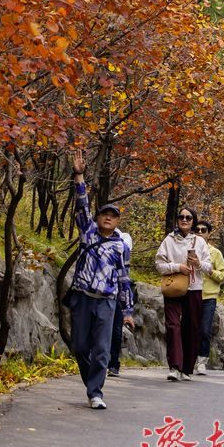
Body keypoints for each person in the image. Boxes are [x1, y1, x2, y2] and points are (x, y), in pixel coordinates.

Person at [68, 150, 134, 410]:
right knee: (81, 346)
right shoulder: (88, 234)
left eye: (113, 215)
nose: (108, 217)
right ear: (97, 218)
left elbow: (124, 278)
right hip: (83, 298)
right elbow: (81, 204)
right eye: (104, 213)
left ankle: (96, 392)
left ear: (118, 221)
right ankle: (91, 384)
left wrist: (127, 310)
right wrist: (79, 175)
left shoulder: (120, 246)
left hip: (106, 301)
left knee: (103, 351)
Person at [155, 206, 211, 381]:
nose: (184, 220)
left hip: (194, 288)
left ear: (193, 221)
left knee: (192, 327)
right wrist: (177, 267)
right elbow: (159, 264)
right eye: (181, 217)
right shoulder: (168, 240)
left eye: (188, 217)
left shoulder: (200, 242)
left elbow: (209, 268)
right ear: (177, 220)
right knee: (173, 326)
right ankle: (174, 366)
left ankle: (186, 368)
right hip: (173, 287)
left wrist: (198, 263)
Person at [194, 219, 224, 375]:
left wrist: (210, 272)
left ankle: (202, 361)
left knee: (205, 330)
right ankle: (189, 359)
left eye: (203, 230)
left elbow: (223, 274)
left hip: (208, 296)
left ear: (209, 234)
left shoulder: (215, 253)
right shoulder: (189, 250)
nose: (200, 232)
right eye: (198, 230)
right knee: (190, 329)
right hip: (191, 294)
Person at [107, 228, 133, 377]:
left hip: (117, 290)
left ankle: (113, 364)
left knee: (116, 330)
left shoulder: (124, 238)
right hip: (98, 291)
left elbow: (125, 250)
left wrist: (127, 309)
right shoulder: (93, 237)